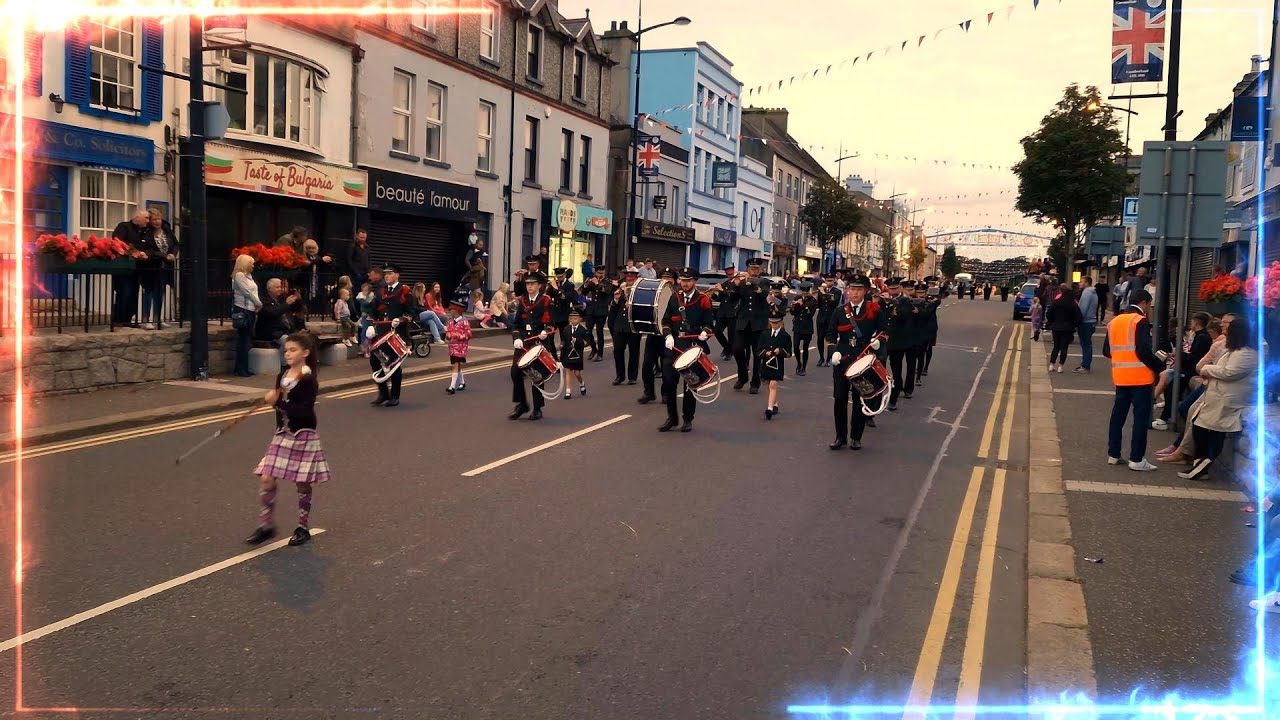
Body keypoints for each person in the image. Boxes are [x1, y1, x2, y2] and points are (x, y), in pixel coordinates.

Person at [246, 331, 328, 548]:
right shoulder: (283, 376)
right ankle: (266, 526)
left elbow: (303, 411)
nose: (288, 354)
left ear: (305, 352)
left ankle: (302, 526)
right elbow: (281, 407)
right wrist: (278, 422)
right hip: (283, 434)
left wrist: (276, 403)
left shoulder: (308, 379)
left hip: (303, 433)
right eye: (286, 350)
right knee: (266, 477)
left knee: (302, 483)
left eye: (293, 350)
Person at [1179, 317, 1258, 480]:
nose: (1224, 330)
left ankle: (1204, 464)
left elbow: (1229, 372)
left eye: (1229, 328)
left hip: (1228, 399)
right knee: (1199, 426)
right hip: (1217, 395)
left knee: (1214, 431)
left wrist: (1207, 369)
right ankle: (1201, 463)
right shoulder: (1235, 349)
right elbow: (1221, 368)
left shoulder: (1248, 353)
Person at [1103, 289, 1165, 471]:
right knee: (1140, 419)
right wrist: (1158, 366)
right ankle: (1136, 459)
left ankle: (1113, 454)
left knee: (1117, 417)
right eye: (1149, 305)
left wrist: (1122, 358)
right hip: (1140, 378)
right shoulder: (1140, 320)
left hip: (1121, 377)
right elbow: (1142, 350)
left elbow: (1107, 351)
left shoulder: (1114, 321)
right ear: (1144, 303)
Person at [828, 274, 887, 451]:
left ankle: (856, 436)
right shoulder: (839, 311)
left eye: (859, 289)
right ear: (847, 291)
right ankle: (840, 436)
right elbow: (830, 335)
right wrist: (834, 352)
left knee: (859, 398)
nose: (855, 293)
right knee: (839, 398)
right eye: (852, 289)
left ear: (865, 291)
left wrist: (879, 341)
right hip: (843, 360)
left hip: (862, 361)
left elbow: (885, 330)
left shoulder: (874, 310)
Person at [659, 267, 714, 433]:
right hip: (674, 345)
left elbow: (709, 323)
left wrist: (705, 332)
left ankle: (687, 419)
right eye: (682, 280)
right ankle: (672, 418)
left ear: (695, 281)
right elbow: (666, 320)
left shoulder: (703, 299)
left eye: (688, 280)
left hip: (692, 346)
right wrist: (668, 335)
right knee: (668, 383)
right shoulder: (674, 298)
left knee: (690, 385)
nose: (685, 283)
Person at [366, 263, 419, 408]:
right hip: (381, 332)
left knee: (394, 364)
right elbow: (372, 310)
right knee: (375, 361)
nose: (387, 276)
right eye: (386, 274)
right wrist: (371, 324)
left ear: (397, 275)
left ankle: (394, 396)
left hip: (397, 334)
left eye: (390, 273)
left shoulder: (405, 291)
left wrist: (400, 320)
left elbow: (411, 314)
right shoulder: (380, 291)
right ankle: (383, 394)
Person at [510, 271, 554, 420]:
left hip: (538, 343)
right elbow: (516, 324)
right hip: (523, 344)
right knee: (515, 373)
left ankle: (537, 408)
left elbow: (551, 325)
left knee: (536, 376)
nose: (529, 286)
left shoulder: (545, 301)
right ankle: (522, 404)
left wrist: (545, 332)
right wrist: (516, 337)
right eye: (527, 283)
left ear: (539, 286)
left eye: (532, 284)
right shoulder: (522, 301)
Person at [732, 257, 771, 394]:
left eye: (756, 269)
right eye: (751, 268)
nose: (754, 271)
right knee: (737, 349)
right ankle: (742, 376)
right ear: (747, 269)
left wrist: (754, 285)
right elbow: (733, 299)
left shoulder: (764, 282)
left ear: (760, 270)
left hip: (758, 324)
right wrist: (736, 286)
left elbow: (765, 296)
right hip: (743, 323)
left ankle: (755, 382)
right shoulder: (742, 282)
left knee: (757, 354)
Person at [639, 267, 676, 405]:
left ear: (674, 280)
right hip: (654, 334)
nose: (665, 280)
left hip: (669, 336)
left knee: (667, 367)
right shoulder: (653, 293)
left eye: (668, 278)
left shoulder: (677, 295)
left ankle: (665, 393)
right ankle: (648, 393)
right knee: (647, 365)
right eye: (663, 278)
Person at [138, 208, 177, 329]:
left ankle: (157, 319)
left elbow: (175, 244)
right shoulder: (146, 232)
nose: (157, 221)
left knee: (160, 292)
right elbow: (149, 250)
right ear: (150, 220)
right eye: (154, 219)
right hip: (151, 266)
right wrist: (165, 255)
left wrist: (173, 254)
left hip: (165, 267)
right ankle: (145, 320)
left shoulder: (167, 230)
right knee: (148, 292)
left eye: (159, 219)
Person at [110, 210, 150, 326]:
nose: (148, 221)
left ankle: (128, 319)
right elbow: (118, 243)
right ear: (138, 217)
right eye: (146, 218)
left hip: (137, 268)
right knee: (124, 292)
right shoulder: (124, 227)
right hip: (122, 267)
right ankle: (118, 319)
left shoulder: (145, 231)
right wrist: (136, 252)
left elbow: (149, 246)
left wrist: (144, 253)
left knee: (134, 293)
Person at [884, 278, 917, 410]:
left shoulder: (905, 301)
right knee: (879, 370)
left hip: (898, 342)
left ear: (899, 288)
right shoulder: (883, 299)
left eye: (895, 288)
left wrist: (893, 303)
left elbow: (903, 316)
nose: (892, 291)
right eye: (890, 288)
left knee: (896, 371)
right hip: (884, 340)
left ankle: (893, 399)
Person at [256, 278, 304, 366]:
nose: (280, 289)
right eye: (277, 287)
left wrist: (298, 300)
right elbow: (272, 313)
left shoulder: (281, 299)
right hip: (270, 331)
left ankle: (300, 362)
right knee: (287, 340)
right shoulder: (264, 300)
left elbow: (295, 309)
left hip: (284, 330)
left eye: (280, 287)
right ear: (270, 289)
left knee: (303, 338)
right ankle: (284, 364)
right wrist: (286, 304)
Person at [610, 266, 642, 386]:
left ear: (635, 278)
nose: (629, 278)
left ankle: (632, 377)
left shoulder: (640, 290)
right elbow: (613, 308)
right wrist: (616, 300)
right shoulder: (620, 290)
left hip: (634, 325)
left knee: (634, 352)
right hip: (620, 325)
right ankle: (620, 375)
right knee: (618, 350)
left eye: (632, 277)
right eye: (627, 277)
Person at [231, 254, 262, 377]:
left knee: (246, 340)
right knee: (243, 340)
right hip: (243, 309)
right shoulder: (239, 275)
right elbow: (246, 292)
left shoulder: (249, 276)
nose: (253, 266)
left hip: (250, 309)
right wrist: (258, 303)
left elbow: (254, 291)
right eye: (252, 263)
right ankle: (241, 369)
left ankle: (243, 367)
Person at [758, 306, 792, 420]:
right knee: (769, 385)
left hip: (777, 364)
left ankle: (769, 409)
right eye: (772, 323)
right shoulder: (765, 334)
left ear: (781, 322)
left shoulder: (785, 336)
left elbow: (789, 353)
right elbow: (758, 350)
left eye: (776, 323)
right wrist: (765, 353)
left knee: (773, 384)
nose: (774, 325)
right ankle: (775, 403)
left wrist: (780, 351)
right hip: (766, 363)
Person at [1046, 286, 1082, 373]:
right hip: (1067, 328)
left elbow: (1049, 313)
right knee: (1064, 348)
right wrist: (1074, 325)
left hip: (1056, 327)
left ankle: (1051, 365)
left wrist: (1052, 321)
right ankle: (1060, 367)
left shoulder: (1056, 302)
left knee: (1056, 346)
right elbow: (1079, 317)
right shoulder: (1073, 305)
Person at [581, 266, 613, 360]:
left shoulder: (607, 281)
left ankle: (600, 353)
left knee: (599, 332)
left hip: (601, 310)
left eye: (602, 273)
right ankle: (593, 349)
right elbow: (584, 293)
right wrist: (586, 285)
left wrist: (597, 283)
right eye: (598, 273)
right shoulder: (592, 280)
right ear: (595, 272)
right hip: (591, 309)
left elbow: (605, 291)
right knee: (588, 331)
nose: (600, 275)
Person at [711, 264, 740, 360]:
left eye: (730, 271)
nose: (729, 273)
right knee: (717, 331)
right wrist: (712, 295)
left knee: (731, 335)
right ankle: (727, 348)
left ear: (733, 270)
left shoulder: (737, 284)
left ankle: (729, 353)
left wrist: (721, 289)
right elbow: (720, 298)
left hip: (732, 313)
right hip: (722, 312)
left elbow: (732, 296)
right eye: (727, 272)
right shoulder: (725, 283)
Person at [444, 299, 472, 395]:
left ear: (456, 311)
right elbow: (448, 331)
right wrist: (448, 335)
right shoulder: (450, 322)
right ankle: (462, 383)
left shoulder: (464, 322)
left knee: (454, 366)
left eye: (451, 310)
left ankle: (452, 387)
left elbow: (469, 335)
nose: (449, 312)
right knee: (458, 366)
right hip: (452, 348)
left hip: (460, 348)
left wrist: (458, 336)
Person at [562, 307, 590, 399]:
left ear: (580, 319)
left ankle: (581, 383)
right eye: (571, 318)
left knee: (577, 373)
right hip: (568, 354)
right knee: (568, 371)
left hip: (578, 354)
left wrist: (577, 340)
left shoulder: (583, 330)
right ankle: (568, 391)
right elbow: (563, 340)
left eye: (575, 318)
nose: (573, 320)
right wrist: (561, 345)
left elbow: (586, 343)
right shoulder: (566, 329)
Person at [790, 285, 817, 376]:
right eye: (803, 291)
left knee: (805, 347)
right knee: (796, 346)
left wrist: (803, 305)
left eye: (806, 291)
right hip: (797, 326)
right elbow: (792, 312)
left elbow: (811, 313)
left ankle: (804, 367)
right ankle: (799, 363)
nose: (804, 293)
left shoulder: (812, 300)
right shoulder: (797, 297)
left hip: (807, 327)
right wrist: (794, 306)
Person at [1074, 277, 1098, 373]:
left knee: (1086, 345)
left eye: (1081, 282)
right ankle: (1084, 364)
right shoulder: (1093, 292)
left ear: (1087, 283)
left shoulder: (1087, 293)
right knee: (1087, 344)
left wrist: (1077, 320)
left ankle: (1085, 366)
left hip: (1085, 322)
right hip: (1091, 321)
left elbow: (1083, 309)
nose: (1080, 283)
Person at [918, 281, 940, 377]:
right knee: (920, 350)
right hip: (919, 327)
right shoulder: (918, 300)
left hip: (930, 327)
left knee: (928, 348)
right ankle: (920, 366)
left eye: (922, 292)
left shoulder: (933, 300)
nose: (921, 294)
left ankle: (925, 367)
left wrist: (932, 299)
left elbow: (937, 302)